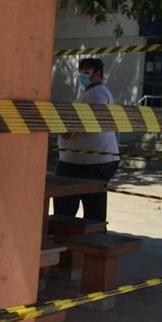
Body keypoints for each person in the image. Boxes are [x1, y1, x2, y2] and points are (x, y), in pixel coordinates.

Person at [54, 58, 119, 221]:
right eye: (81, 72)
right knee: (89, 206)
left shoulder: (97, 94)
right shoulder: (91, 93)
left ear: (97, 74)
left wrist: (66, 128)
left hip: (88, 162)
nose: (82, 76)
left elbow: (88, 123)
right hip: (84, 160)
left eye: (86, 73)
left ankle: (73, 239)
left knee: (68, 208)